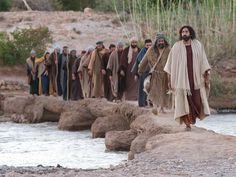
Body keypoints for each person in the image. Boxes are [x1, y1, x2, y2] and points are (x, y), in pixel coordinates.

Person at [164, 25, 211, 131]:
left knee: (197, 101)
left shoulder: (198, 45)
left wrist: (206, 72)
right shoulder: (176, 47)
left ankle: (192, 119)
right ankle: (187, 124)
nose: (184, 33)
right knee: (184, 101)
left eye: (186, 31)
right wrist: (169, 79)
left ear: (190, 33)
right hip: (181, 80)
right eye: (183, 32)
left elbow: (203, 60)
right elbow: (170, 65)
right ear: (181, 34)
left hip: (196, 79)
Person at [139, 34, 171, 114]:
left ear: (164, 41)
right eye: (159, 41)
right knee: (154, 90)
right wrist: (141, 69)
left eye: (162, 41)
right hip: (155, 74)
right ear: (156, 42)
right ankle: (155, 107)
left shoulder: (168, 50)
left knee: (164, 90)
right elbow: (144, 60)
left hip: (165, 74)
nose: (161, 42)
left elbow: (173, 61)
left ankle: (162, 108)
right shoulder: (151, 50)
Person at [132, 39, 152, 107]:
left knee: (151, 88)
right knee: (143, 88)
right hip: (143, 73)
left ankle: (150, 103)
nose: (149, 46)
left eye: (150, 45)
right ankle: (142, 103)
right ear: (145, 45)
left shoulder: (153, 51)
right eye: (147, 45)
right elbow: (138, 62)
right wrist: (136, 74)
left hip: (152, 73)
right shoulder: (142, 52)